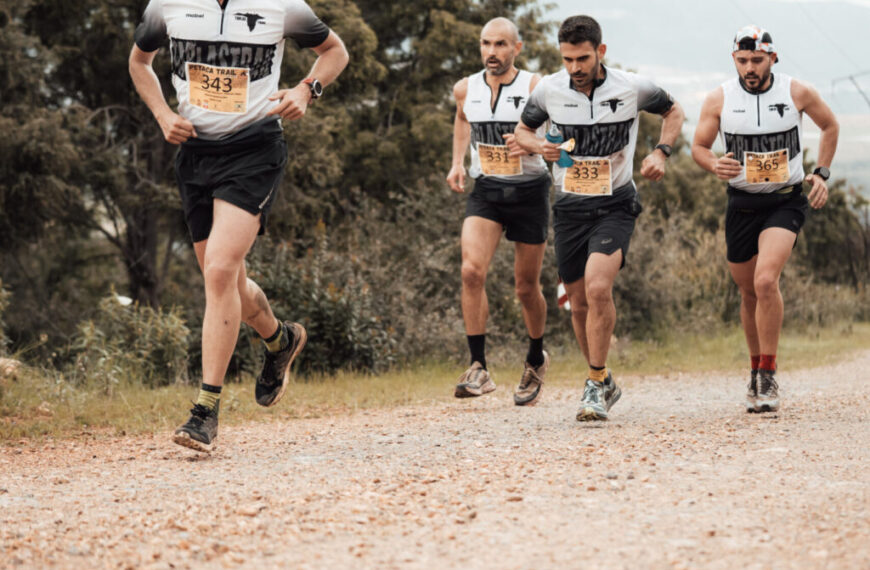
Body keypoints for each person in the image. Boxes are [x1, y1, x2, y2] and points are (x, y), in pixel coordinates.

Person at [129, 0, 349, 452]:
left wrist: (307, 89)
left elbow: (335, 51)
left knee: (219, 271)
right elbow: (139, 62)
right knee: (227, 281)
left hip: (255, 149)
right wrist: (163, 114)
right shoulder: (166, 4)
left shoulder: (281, 5)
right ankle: (280, 339)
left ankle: (204, 412)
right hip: (195, 152)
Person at [515, 15, 684, 421]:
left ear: (600, 51)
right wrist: (538, 146)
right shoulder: (549, 90)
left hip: (615, 204)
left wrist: (661, 152)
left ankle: (592, 384)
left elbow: (674, 111)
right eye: (568, 59)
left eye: (583, 59)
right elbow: (521, 131)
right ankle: (604, 377)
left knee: (597, 286)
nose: (575, 68)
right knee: (577, 304)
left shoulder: (632, 87)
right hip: (570, 207)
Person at [692, 25, 838, 413]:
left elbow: (830, 125)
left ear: (773, 58)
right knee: (748, 292)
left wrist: (821, 173)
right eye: (742, 61)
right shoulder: (719, 98)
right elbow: (699, 147)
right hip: (741, 203)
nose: (750, 68)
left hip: (784, 202)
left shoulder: (797, 92)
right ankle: (756, 369)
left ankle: (769, 375)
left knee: (765, 280)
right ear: (734, 60)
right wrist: (713, 164)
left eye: (757, 60)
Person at [446, 17, 551, 406]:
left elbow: (561, 136)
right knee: (471, 272)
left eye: (501, 44)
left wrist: (533, 144)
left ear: (517, 48)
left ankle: (536, 358)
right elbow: (462, 119)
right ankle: (478, 367)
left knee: (525, 288)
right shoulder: (465, 88)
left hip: (529, 191)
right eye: (486, 43)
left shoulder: (536, 87)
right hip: (487, 190)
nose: (492, 52)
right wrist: (457, 162)